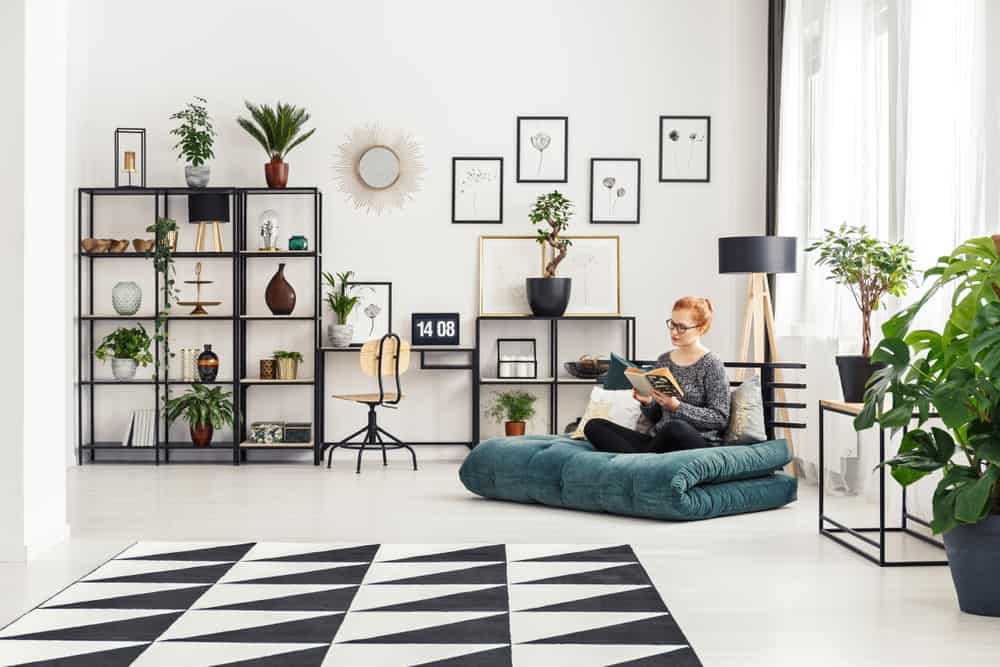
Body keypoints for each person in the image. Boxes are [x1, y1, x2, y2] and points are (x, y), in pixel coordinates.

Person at [583, 296, 730, 454]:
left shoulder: (712, 364)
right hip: (658, 441)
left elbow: (719, 418)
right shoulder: (664, 360)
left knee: (675, 427)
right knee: (594, 425)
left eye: (682, 327)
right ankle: (645, 459)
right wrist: (648, 402)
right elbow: (656, 416)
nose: (674, 331)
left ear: (701, 328)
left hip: (695, 442)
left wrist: (677, 407)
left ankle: (639, 458)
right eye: (672, 324)